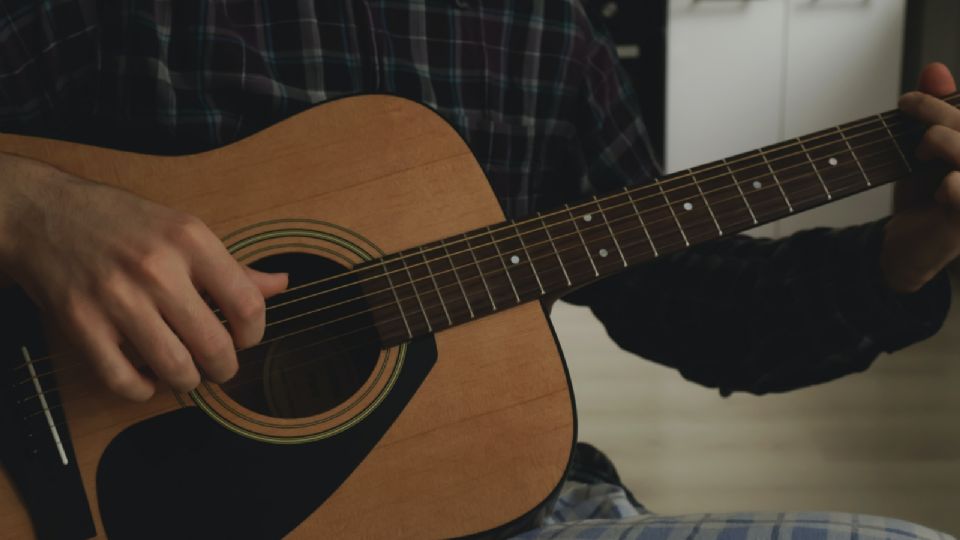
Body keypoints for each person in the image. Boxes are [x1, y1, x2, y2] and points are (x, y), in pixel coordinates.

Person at [0, 1, 956, 538]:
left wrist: (897, 259)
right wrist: (31, 206)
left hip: (490, 520)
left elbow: (690, 302)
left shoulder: (546, 36)